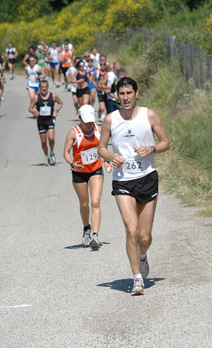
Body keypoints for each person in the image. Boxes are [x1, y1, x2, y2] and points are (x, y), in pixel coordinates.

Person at [98, 77, 171, 296]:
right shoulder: (111, 119)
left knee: (144, 237)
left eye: (129, 93)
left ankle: (142, 256)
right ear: (117, 96)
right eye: (122, 94)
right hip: (123, 180)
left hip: (147, 177)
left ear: (136, 94)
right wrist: (111, 157)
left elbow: (166, 142)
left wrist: (152, 149)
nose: (125, 98)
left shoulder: (149, 115)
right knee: (131, 230)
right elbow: (101, 148)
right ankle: (137, 279)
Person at [64, 105, 105, 249]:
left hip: (95, 169)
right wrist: (72, 163)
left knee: (95, 202)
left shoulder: (99, 130)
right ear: (80, 118)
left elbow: (104, 148)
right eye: (86, 121)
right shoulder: (73, 133)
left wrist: (107, 161)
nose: (89, 125)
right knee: (85, 204)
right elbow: (66, 153)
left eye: (91, 121)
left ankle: (95, 235)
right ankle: (86, 227)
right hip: (79, 172)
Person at [29, 79, 63, 166]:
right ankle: (46, 156)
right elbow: (30, 108)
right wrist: (35, 112)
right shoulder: (36, 97)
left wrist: (56, 111)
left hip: (50, 120)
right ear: (40, 87)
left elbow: (60, 103)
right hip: (41, 122)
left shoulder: (53, 96)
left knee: (51, 138)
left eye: (45, 87)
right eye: (42, 87)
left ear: (47, 87)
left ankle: (52, 152)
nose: (44, 89)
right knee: (43, 141)